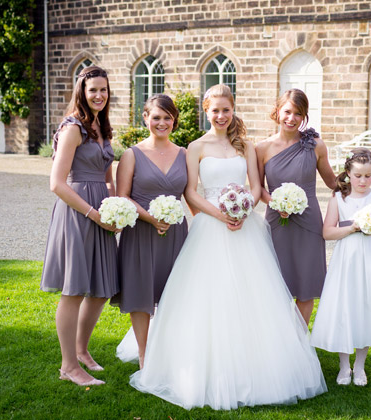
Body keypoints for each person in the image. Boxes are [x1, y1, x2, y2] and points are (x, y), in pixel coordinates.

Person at [129, 84, 327, 410]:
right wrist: (220, 214)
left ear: (233, 110)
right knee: (210, 295)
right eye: (215, 110)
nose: (221, 116)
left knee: (253, 295)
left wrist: (243, 209)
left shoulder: (245, 146)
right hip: (210, 224)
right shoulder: (195, 147)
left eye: (226, 109)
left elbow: (255, 185)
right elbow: (191, 192)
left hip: (244, 226)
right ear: (206, 111)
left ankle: (260, 361)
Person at [40, 66, 119, 387]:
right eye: (93, 90)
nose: (99, 95)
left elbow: (107, 174)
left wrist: (115, 207)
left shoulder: (101, 127)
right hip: (77, 212)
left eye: (103, 90)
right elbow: (57, 184)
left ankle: (82, 351)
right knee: (74, 290)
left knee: (100, 289)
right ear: (82, 93)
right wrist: (93, 212)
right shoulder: (73, 128)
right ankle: (68, 366)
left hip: (102, 210)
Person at [310, 147, 371, 387]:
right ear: (348, 174)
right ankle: (344, 366)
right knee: (346, 307)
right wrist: (354, 227)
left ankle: (360, 366)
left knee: (366, 307)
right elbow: (327, 232)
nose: (363, 181)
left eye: (368, 176)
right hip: (347, 260)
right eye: (358, 175)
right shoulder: (339, 198)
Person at [111, 94, 188, 369]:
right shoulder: (132, 155)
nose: (162, 123)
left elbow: (190, 195)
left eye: (168, 118)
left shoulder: (185, 154)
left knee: (175, 292)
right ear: (145, 118)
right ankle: (145, 355)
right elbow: (123, 197)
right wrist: (152, 219)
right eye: (156, 117)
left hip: (176, 235)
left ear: (174, 120)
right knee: (141, 294)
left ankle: (171, 350)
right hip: (141, 233)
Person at [256, 89, 336, 325]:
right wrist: (275, 202)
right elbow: (258, 188)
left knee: (305, 286)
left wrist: (366, 190)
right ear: (277, 111)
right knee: (276, 283)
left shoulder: (316, 146)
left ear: (304, 117)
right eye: (287, 112)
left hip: (308, 222)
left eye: (298, 114)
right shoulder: (262, 148)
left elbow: (332, 181)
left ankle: (300, 340)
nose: (291, 118)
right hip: (276, 223)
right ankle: (279, 340)